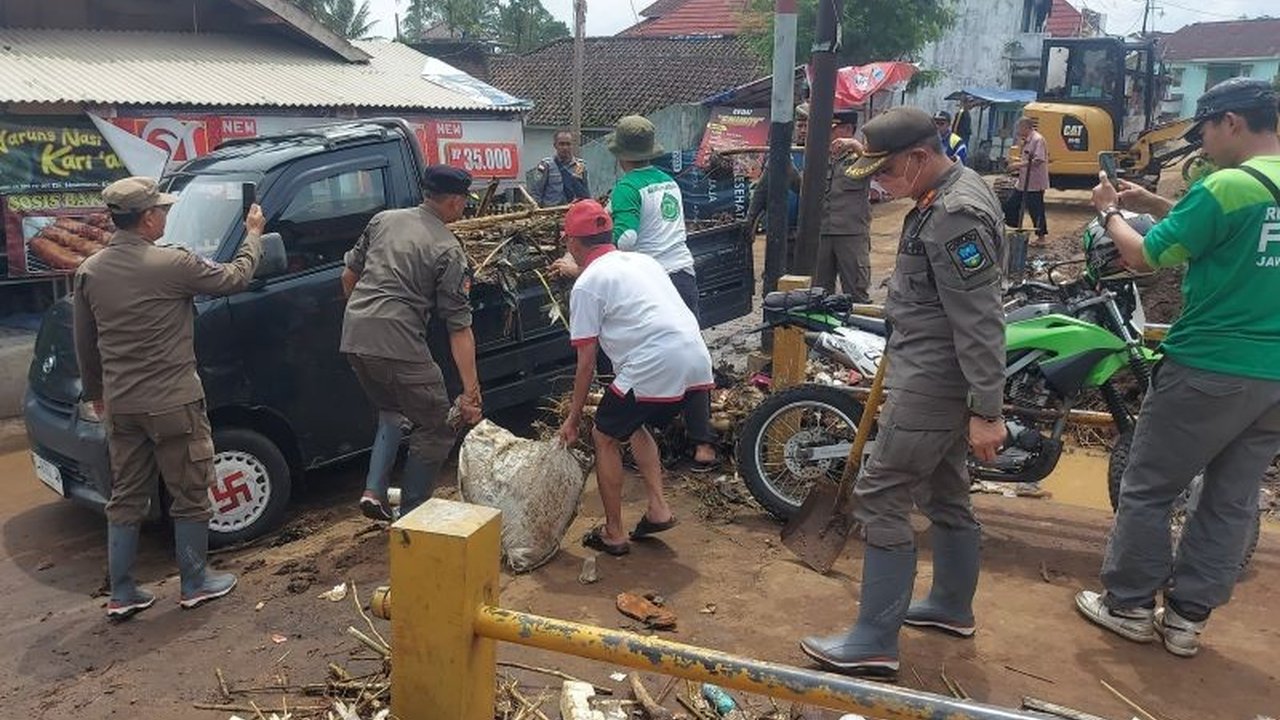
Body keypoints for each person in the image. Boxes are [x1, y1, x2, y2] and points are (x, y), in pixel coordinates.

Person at [1074, 77, 1280, 658]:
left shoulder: (1226, 185)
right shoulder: (1244, 189)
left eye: (1206, 131)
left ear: (1232, 122)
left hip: (1210, 364)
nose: (1204, 145)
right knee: (1232, 498)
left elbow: (1143, 254)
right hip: (1274, 377)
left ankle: (1131, 606)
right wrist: (1156, 205)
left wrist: (1112, 211)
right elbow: (1225, 234)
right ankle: (1187, 621)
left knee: (1149, 488)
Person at [799, 107, 1007, 676]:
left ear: (919, 157)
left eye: (886, 171)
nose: (879, 184)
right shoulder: (945, 191)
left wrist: (988, 410)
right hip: (930, 371)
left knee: (882, 494)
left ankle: (873, 639)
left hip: (935, 381)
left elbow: (981, 318)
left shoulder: (955, 214)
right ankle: (949, 605)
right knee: (945, 491)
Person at [74, 176, 267, 619]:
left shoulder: (90, 271)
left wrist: (98, 395)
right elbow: (236, 277)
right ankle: (195, 582)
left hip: (122, 405)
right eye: (161, 209)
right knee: (190, 490)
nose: (165, 215)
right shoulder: (172, 264)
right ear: (146, 218)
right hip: (173, 402)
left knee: (125, 497)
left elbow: (86, 344)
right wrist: (253, 234)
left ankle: (122, 593)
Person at [552, 115, 720, 470]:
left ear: (621, 155)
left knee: (628, 356)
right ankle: (703, 443)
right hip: (683, 274)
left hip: (649, 277)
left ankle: (630, 424)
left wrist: (584, 263)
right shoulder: (667, 182)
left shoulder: (627, 187)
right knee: (691, 349)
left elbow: (625, 239)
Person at [556, 200, 714, 556]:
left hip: (655, 364)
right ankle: (658, 508)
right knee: (635, 423)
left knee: (604, 435)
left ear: (572, 244)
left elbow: (586, 362)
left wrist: (573, 417)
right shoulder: (645, 260)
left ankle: (613, 532)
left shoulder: (587, 285)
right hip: (696, 360)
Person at [340, 165, 483, 519]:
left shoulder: (384, 220)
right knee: (437, 426)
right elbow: (459, 326)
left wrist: (367, 321)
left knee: (393, 411)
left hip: (354, 335)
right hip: (398, 343)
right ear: (452, 201)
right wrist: (471, 392)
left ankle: (374, 492)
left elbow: (348, 276)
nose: (465, 207)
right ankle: (413, 516)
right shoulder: (449, 249)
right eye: (465, 201)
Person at [816, 110, 873, 302]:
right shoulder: (822, 157)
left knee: (856, 292)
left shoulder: (860, 157)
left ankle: (858, 330)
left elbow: (877, 164)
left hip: (851, 234)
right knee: (819, 293)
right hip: (823, 233)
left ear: (848, 129)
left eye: (833, 129)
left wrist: (855, 145)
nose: (828, 134)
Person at [1004, 116, 1050, 245]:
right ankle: (1014, 229)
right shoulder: (1027, 141)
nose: (1018, 131)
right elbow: (1027, 158)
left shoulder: (1038, 140)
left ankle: (1041, 238)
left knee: (1036, 210)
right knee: (1010, 205)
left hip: (1035, 182)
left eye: (1019, 128)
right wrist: (1016, 163)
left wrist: (1018, 165)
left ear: (1026, 127)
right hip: (1023, 182)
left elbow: (1038, 160)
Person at [531, 129, 591, 206]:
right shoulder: (546, 165)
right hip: (550, 212)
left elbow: (586, 192)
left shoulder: (580, 166)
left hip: (574, 211)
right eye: (561, 144)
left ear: (573, 145)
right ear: (555, 145)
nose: (565, 147)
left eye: (568, 144)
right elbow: (536, 192)